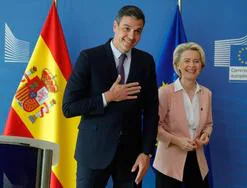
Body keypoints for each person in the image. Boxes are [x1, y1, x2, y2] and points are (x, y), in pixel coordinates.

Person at [62, 5, 159, 188]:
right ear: (115, 26)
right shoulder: (89, 58)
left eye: (138, 31)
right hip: (93, 153)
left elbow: (152, 111)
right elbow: (69, 107)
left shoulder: (146, 61)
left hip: (131, 157)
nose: (131, 36)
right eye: (126, 28)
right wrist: (108, 97)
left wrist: (146, 152)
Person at [153, 42, 213, 188]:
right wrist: (176, 141)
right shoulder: (165, 92)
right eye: (187, 61)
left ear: (202, 66)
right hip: (169, 163)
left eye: (196, 61)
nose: (192, 65)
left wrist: (206, 135)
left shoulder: (206, 93)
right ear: (177, 65)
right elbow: (154, 127)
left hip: (197, 159)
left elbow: (209, 124)